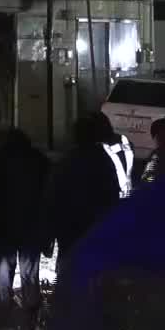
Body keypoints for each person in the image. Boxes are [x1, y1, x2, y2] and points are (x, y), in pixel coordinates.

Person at [0, 128, 52, 309]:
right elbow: (47, 194)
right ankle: (31, 312)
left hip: (3, 225)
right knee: (29, 272)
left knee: (4, 270)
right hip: (31, 224)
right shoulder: (38, 160)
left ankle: (4, 309)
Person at [46, 111, 125, 261]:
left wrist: (49, 231)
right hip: (94, 225)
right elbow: (112, 194)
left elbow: (53, 196)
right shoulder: (103, 160)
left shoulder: (66, 161)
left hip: (70, 225)